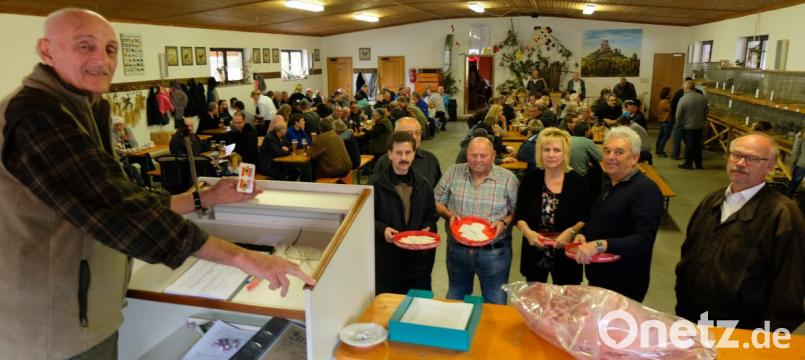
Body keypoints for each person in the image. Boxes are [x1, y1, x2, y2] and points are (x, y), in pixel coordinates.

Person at [0, 9, 314, 358]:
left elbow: (123, 193)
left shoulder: (85, 108)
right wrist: (246, 258)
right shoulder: (37, 117)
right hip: (53, 328)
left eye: (109, 49)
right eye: (84, 46)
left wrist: (203, 198)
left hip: (86, 312)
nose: (101, 60)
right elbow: (119, 209)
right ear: (46, 51)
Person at [675, 133, 805, 331]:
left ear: (769, 166)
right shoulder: (712, 200)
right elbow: (688, 255)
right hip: (692, 319)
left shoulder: (782, 214)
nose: (741, 163)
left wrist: (766, 339)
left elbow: (789, 286)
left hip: (743, 329)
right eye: (736, 155)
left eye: (752, 159)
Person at [571, 127, 663, 302]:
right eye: (607, 151)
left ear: (635, 158)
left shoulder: (645, 190)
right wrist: (584, 235)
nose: (611, 157)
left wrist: (599, 245)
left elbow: (643, 239)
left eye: (619, 152)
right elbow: (599, 219)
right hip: (600, 279)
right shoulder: (613, 183)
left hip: (624, 284)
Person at [435, 137, 519, 304]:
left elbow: (519, 211)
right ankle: (457, 330)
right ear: (467, 154)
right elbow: (437, 201)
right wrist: (449, 215)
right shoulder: (453, 172)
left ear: (493, 155)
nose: (478, 160)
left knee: (495, 299)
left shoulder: (508, 179)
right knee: (455, 297)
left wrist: (504, 222)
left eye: (483, 156)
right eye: (474, 155)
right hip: (457, 251)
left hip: (494, 252)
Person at [514, 128, 590, 285]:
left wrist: (571, 232)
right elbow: (519, 214)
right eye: (546, 149)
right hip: (535, 249)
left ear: (565, 153)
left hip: (567, 251)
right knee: (535, 300)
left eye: (557, 150)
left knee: (565, 303)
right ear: (540, 153)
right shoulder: (530, 180)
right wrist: (527, 232)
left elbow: (585, 216)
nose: (551, 154)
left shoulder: (578, 182)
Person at [373, 131, 439, 294]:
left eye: (408, 152)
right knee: (389, 309)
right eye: (399, 153)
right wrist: (382, 230)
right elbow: (366, 219)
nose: (404, 157)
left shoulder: (424, 185)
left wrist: (428, 228)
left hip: (418, 264)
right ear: (390, 154)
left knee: (419, 308)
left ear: (414, 154)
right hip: (388, 262)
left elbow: (431, 216)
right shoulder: (376, 185)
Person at [374, 117, 442, 188]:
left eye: (418, 132)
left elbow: (439, 191)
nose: (414, 137)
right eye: (409, 133)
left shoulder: (430, 159)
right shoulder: (384, 162)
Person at [676, 79, 708, 169]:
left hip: (687, 127)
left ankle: (688, 164)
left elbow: (678, 114)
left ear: (685, 88)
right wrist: (704, 120)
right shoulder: (702, 97)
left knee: (689, 146)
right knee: (698, 146)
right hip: (699, 126)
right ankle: (698, 164)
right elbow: (706, 111)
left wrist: (678, 125)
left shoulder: (683, 99)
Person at [257, 115, 299, 181]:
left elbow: (289, 145)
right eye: (285, 128)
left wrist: (288, 148)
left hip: (276, 164)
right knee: (281, 175)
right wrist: (289, 152)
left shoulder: (281, 137)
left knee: (296, 171)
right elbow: (279, 153)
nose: (286, 130)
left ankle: (289, 188)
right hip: (268, 166)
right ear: (281, 130)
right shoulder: (270, 139)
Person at [655, 87, 672, 157]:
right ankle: (660, 151)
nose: (671, 94)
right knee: (665, 136)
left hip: (663, 120)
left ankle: (658, 150)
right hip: (666, 120)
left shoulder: (663, 101)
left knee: (661, 135)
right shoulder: (665, 102)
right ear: (666, 95)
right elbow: (671, 110)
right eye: (670, 92)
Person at [787, 129, 805, 198]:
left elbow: (795, 152)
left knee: (792, 186)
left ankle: (787, 203)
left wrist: (791, 165)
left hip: (802, 164)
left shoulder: (801, 134)